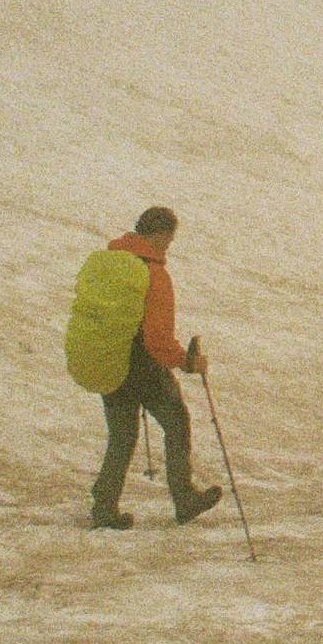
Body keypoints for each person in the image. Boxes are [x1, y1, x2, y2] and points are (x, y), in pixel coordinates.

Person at [74, 206, 222, 530]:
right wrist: (186, 361)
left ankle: (104, 505)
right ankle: (184, 498)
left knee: (122, 437)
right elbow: (156, 338)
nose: (170, 244)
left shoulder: (113, 260)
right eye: (169, 237)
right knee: (177, 424)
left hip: (111, 361)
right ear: (159, 234)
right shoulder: (153, 273)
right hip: (145, 369)